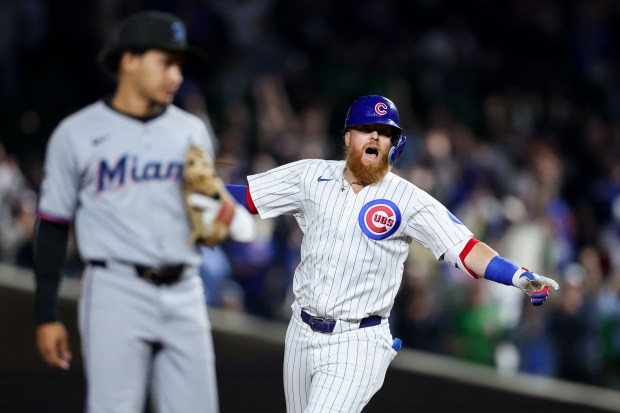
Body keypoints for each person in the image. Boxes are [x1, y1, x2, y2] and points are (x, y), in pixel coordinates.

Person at [225, 95, 560, 413]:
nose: (376, 136)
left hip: (358, 341)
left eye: (386, 132)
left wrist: (516, 275)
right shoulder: (311, 175)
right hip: (301, 328)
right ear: (348, 137)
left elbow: (465, 248)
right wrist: (188, 186)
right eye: (368, 128)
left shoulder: (407, 198)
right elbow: (250, 198)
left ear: (393, 144)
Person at [33, 10, 255, 413]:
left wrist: (218, 217)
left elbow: (203, 206)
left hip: (186, 287)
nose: (177, 76)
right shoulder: (77, 132)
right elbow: (51, 224)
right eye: (166, 62)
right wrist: (46, 314)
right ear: (129, 60)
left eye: (180, 66)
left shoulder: (191, 129)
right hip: (115, 288)